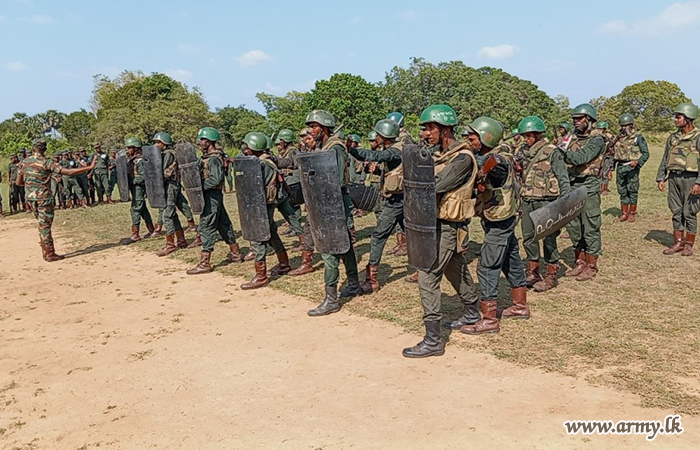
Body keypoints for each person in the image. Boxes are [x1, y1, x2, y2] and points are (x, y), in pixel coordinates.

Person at [402, 105, 479, 358]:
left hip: (448, 225)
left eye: (429, 128)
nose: (425, 133)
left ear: (445, 128)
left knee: (428, 274)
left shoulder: (463, 158)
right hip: (435, 223)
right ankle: (471, 311)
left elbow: (436, 186)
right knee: (454, 269)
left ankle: (433, 340)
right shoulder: (441, 155)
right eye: (424, 129)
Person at [459, 117, 529, 336]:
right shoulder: (502, 154)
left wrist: (465, 158)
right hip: (503, 218)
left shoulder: (497, 160)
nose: (469, 142)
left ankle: (489, 319)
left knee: (487, 266)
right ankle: (520, 306)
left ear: (485, 137)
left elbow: (494, 167)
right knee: (511, 261)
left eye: (472, 138)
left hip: (499, 221)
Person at [348, 119, 405, 294]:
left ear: (384, 136)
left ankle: (371, 280)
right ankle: (422, 270)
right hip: (402, 199)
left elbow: (376, 156)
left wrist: (352, 150)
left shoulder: (394, 151)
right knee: (412, 234)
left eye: (378, 135)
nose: (375, 138)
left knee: (378, 236)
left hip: (397, 202)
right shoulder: (395, 149)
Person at [516, 116, 571, 292]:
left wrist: (565, 203)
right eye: (524, 135)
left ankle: (550, 275)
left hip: (548, 200)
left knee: (549, 239)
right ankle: (533, 272)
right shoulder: (522, 150)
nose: (526, 139)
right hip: (527, 199)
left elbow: (563, 178)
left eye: (529, 135)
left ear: (538, 134)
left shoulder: (552, 151)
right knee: (528, 237)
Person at [17, 139, 96, 261]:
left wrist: (32, 183)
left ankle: (44, 246)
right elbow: (68, 172)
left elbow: (19, 182)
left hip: (30, 198)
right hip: (44, 198)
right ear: (45, 149)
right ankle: (49, 253)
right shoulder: (47, 162)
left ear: (32, 148)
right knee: (45, 225)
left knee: (42, 223)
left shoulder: (24, 163)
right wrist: (89, 167)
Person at [238, 132, 291, 289]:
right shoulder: (261, 162)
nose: (244, 149)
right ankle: (284, 263)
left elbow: (258, 187)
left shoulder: (263, 164)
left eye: (247, 146)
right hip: (262, 204)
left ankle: (261, 276)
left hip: (262, 204)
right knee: (272, 233)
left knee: (258, 236)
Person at [186, 127, 243, 274]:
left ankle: (205, 262)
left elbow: (215, 179)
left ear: (210, 141)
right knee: (223, 224)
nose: (200, 142)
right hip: (212, 196)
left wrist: (200, 188)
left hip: (212, 195)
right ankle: (236, 254)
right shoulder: (207, 157)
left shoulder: (213, 158)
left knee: (206, 226)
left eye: (203, 140)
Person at [561, 104, 605, 281]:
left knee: (590, 225)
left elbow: (582, 158)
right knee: (573, 225)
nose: (576, 122)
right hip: (571, 185)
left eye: (580, 118)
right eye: (574, 119)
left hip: (589, 185)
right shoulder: (570, 138)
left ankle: (591, 265)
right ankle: (579, 262)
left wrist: (559, 152)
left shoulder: (597, 140)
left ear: (589, 120)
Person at [656, 103, 700, 256]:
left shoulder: (698, 136)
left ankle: (688, 244)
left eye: (678, 117)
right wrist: (660, 177)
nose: (675, 119)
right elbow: (665, 158)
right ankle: (678, 242)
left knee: (689, 212)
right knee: (676, 211)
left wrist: (698, 182)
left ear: (688, 118)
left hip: (691, 178)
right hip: (674, 178)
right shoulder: (673, 137)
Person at [151, 132, 191, 256]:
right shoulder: (166, 153)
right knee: (172, 215)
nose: (156, 145)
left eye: (158, 142)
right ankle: (181, 240)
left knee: (167, 215)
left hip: (170, 186)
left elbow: (162, 171)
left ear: (165, 143)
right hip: (171, 185)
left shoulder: (168, 154)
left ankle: (170, 245)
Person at [613, 113, 649, 222]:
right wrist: (611, 168)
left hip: (632, 167)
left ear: (631, 125)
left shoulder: (638, 137)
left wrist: (638, 162)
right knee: (622, 190)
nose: (624, 128)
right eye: (622, 126)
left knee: (632, 190)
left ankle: (632, 213)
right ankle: (624, 212)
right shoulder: (618, 138)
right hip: (620, 166)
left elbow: (646, 153)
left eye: (626, 125)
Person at [274, 129, 305, 246]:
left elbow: (296, 165)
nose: (279, 143)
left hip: (294, 180)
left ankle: (296, 226)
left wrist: (285, 170)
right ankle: (293, 226)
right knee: (291, 204)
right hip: (288, 181)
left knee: (294, 203)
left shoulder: (293, 151)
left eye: (281, 141)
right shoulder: (286, 151)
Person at [122, 137, 156, 243]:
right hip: (134, 188)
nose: (128, 150)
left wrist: (133, 181)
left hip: (139, 188)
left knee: (135, 209)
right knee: (143, 209)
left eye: (129, 148)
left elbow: (144, 176)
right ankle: (152, 230)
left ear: (135, 148)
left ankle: (135, 234)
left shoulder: (140, 160)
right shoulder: (131, 159)